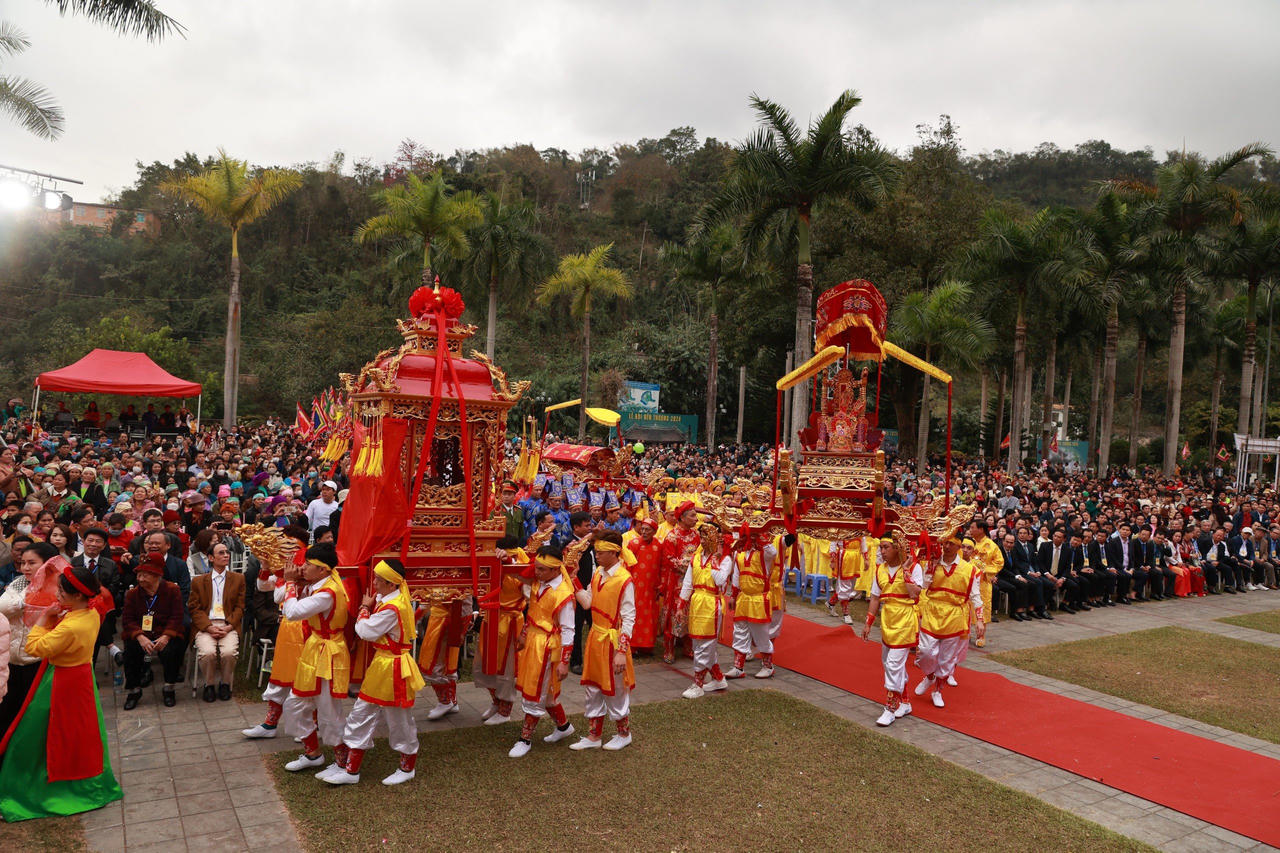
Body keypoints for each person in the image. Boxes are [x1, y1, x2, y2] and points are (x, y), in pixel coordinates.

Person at [0, 562, 122, 821]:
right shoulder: (89, 613)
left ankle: (44, 787)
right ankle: (84, 782)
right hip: (81, 678)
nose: (57, 594)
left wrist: (43, 620)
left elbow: (35, 648)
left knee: (43, 734)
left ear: (78, 595)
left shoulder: (71, 625)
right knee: (81, 734)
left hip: (63, 682)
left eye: (62, 592)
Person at [323, 559, 424, 786]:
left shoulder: (392, 607)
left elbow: (364, 630)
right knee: (361, 713)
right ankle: (351, 771)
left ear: (391, 584)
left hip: (394, 669)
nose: (375, 583)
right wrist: (372, 603)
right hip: (382, 665)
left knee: (399, 719)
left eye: (379, 580)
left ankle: (407, 767)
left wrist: (364, 608)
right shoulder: (391, 599)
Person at [280, 543, 351, 774]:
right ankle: (312, 753)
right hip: (315, 649)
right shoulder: (319, 584)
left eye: (309, 564)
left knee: (328, 709)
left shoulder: (327, 593)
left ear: (323, 570)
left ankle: (343, 762)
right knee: (295, 703)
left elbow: (291, 613)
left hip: (328, 653)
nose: (303, 567)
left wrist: (290, 582)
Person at [569, 530, 635, 751]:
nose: (596, 555)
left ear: (614, 552)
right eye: (596, 551)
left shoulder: (625, 580)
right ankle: (593, 735)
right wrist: (574, 580)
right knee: (593, 686)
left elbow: (629, 617)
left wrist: (620, 651)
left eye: (600, 552)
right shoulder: (598, 572)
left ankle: (624, 733)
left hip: (613, 640)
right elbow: (588, 602)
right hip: (596, 638)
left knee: (615, 689)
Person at [243, 526, 310, 739]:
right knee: (279, 677)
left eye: (289, 545)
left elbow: (278, 596)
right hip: (287, 629)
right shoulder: (286, 570)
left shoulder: (307, 570)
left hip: (307, 630)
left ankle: (307, 728)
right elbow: (263, 586)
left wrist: (288, 578)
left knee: (303, 681)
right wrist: (264, 564)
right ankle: (270, 724)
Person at [509, 546, 576, 758]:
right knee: (544, 691)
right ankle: (564, 727)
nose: (536, 572)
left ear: (556, 570)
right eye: (536, 568)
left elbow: (569, 630)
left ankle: (525, 738)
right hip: (533, 641)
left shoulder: (563, 594)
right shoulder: (540, 582)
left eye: (541, 569)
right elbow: (518, 574)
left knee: (536, 690)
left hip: (548, 647)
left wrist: (565, 661)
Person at [913, 531, 983, 709]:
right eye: (945, 543)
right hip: (933, 611)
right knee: (926, 652)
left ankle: (938, 689)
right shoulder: (932, 564)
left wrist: (980, 620)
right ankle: (929, 676)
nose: (947, 546)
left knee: (946, 659)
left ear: (959, 546)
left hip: (955, 615)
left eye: (952, 543)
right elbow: (923, 587)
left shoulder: (971, 570)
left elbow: (976, 596)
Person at [860, 533, 922, 726]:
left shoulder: (915, 567)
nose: (882, 551)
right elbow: (875, 598)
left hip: (905, 619)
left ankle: (890, 707)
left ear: (897, 548)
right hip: (888, 620)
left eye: (886, 547)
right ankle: (905, 701)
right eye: (881, 547)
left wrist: (905, 572)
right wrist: (868, 623)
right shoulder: (880, 570)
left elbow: (914, 595)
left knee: (894, 664)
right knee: (889, 664)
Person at [0, 542, 58, 737]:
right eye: (23, 563)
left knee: (35, 717)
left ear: (47, 564)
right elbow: (2, 607)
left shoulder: (58, 588)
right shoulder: (19, 583)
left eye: (32, 563)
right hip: (12, 660)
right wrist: (24, 601)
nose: (25, 568)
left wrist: (20, 604)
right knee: (8, 714)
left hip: (39, 661)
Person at [120, 554, 187, 710]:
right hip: (142, 633)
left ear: (157, 575)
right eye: (138, 574)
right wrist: (140, 636)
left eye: (145, 574)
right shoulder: (133, 594)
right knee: (131, 649)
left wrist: (166, 636)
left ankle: (169, 687)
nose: (140, 578)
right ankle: (134, 690)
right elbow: (127, 619)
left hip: (164, 632)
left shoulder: (172, 590)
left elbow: (177, 616)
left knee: (173, 648)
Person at [474, 537, 528, 726]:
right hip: (491, 618)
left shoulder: (521, 564)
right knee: (485, 663)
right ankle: (496, 702)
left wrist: (508, 562)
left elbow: (528, 590)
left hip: (510, 622)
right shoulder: (489, 560)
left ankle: (505, 710)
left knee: (507, 667)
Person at [678, 522, 732, 699]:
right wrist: (681, 605)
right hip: (696, 602)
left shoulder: (725, 560)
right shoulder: (696, 557)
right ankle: (718, 679)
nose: (702, 540)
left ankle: (698, 684)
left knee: (706, 645)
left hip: (711, 603)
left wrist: (715, 561)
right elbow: (688, 582)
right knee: (697, 643)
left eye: (706, 536)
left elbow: (720, 580)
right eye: (701, 536)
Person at [188, 541, 244, 702]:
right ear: (211, 558)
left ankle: (225, 683)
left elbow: (240, 607)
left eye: (227, 552)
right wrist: (208, 627)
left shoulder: (238, 579)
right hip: (206, 625)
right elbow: (194, 608)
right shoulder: (199, 581)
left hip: (228, 624)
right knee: (207, 653)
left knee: (228, 653)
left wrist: (229, 627)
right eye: (221, 553)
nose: (226, 555)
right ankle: (209, 684)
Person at [725, 529, 777, 679]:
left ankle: (768, 666)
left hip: (759, 598)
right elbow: (736, 575)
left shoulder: (764, 553)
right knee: (739, 632)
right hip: (743, 598)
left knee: (761, 633)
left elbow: (773, 552)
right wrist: (733, 596)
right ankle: (738, 667)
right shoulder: (738, 553)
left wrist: (759, 534)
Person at [659, 501, 700, 663]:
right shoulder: (672, 537)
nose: (696, 519)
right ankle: (669, 649)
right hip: (676, 582)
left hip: (692, 581)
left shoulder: (695, 535)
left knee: (690, 613)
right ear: (682, 518)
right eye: (692, 516)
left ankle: (688, 647)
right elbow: (669, 560)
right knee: (675, 613)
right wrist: (690, 565)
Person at [621, 516, 661, 654]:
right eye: (642, 529)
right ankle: (633, 645)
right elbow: (627, 565)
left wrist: (660, 585)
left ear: (654, 532)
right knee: (635, 614)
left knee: (650, 615)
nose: (644, 532)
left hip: (651, 587)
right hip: (636, 586)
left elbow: (661, 566)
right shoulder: (633, 544)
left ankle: (648, 645)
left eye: (647, 530)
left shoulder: (658, 546)